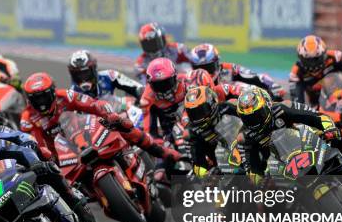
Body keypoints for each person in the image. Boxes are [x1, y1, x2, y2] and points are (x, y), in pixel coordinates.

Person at [20, 72, 180, 162]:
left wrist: (110, 115)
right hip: (61, 152)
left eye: (44, 96)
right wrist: (49, 160)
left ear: (53, 92)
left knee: (123, 126)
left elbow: (93, 104)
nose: (41, 103)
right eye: (36, 98)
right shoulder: (27, 119)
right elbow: (37, 145)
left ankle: (162, 152)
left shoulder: (66, 96)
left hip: (86, 132)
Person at [235, 87, 342, 179]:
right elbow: (252, 167)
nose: (254, 121)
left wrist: (329, 129)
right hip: (279, 167)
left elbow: (317, 117)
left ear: (267, 105)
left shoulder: (283, 108)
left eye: (258, 115)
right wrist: (258, 182)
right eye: (248, 119)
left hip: (305, 146)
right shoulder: (244, 136)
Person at [140, 57, 239, 139]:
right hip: (172, 131)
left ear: (175, 77)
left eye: (166, 83)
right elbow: (149, 131)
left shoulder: (188, 81)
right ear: (150, 84)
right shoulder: (147, 98)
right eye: (158, 85)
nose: (164, 89)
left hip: (198, 120)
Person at [190, 43, 285, 101]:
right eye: (199, 68)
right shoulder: (188, 81)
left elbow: (257, 76)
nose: (205, 73)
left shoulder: (228, 69)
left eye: (208, 67)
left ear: (217, 63)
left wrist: (273, 86)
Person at [184, 86, 239, 177]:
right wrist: (206, 174)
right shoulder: (191, 131)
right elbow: (197, 161)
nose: (199, 117)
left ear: (212, 103)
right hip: (220, 166)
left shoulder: (227, 108)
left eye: (201, 110)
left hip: (243, 149)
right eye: (194, 113)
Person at [68, 50, 144, 100]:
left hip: (119, 118)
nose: (82, 78)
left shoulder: (109, 75)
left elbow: (136, 87)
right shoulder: (72, 93)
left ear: (94, 69)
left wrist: (140, 95)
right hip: (93, 123)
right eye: (78, 74)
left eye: (85, 73)